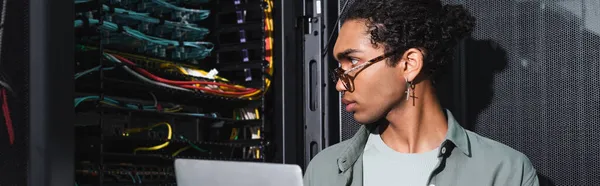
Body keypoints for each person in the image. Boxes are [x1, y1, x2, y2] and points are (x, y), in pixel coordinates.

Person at [303, 0, 539, 186]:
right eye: (339, 70)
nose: (340, 85)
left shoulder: (505, 171)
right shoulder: (324, 170)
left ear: (409, 64)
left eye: (353, 62)